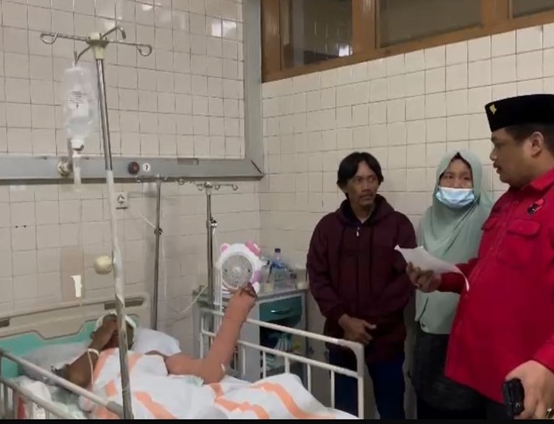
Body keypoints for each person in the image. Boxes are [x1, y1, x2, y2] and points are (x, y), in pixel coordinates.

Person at [407, 94, 554, 420]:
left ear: (535, 144)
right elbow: (490, 269)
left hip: (528, 388)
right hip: (484, 377)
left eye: (499, 144)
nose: (493, 156)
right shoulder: (510, 202)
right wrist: (443, 278)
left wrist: (551, 361)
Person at [307, 151, 416, 419]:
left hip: (386, 339)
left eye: (371, 179)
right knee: (344, 411)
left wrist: (366, 325)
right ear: (343, 186)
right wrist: (345, 320)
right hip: (341, 337)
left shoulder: (398, 225)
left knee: (391, 410)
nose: (366, 186)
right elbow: (318, 278)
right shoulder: (327, 228)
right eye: (358, 180)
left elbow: (404, 281)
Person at [411, 150, 493, 419]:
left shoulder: (489, 218)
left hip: (468, 334)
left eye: (465, 178)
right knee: (427, 405)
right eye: (448, 176)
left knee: (464, 408)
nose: (456, 185)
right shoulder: (428, 218)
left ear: (477, 182)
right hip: (428, 330)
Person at [60, 284, 258, 389]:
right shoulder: (86, 362)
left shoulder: (150, 357)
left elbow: (210, 373)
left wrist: (235, 312)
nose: (117, 327)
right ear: (96, 333)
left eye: (124, 327)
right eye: (111, 323)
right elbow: (76, 379)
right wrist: (98, 342)